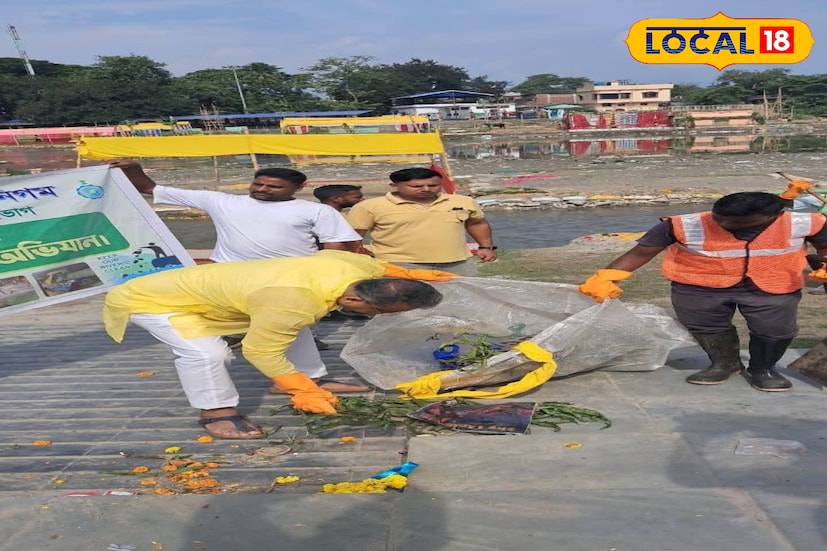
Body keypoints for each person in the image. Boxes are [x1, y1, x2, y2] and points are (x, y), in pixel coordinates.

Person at [103, 250, 445, 439]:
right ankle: (216, 411)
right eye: (381, 313)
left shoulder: (352, 268)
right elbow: (259, 350)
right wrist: (301, 392)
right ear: (355, 300)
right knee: (207, 352)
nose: (382, 318)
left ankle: (312, 378)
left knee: (295, 327)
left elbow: (377, 264)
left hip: (224, 294)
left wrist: (416, 276)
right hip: (157, 300)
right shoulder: (293, 302)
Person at [110, 160, 367, 392]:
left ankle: (307, 381)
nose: (263, 189)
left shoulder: (317, 212)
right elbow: (150, 188)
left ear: (299, 187)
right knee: (209, 347)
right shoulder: (223, 201)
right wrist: (132, 168)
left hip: (288, 284)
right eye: (258, 183)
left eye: (273, 186)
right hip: (229, 284)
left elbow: (337, 249)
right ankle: (219, 392)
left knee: (294, 330)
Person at [578, 192, 827, 392]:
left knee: (774, 331)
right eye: (720, 218)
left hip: (773, 285)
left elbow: (824, 247)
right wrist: (606, 277)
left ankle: (763, 369)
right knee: (707, 328)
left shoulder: (805, 222)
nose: (726, 225)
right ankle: (724, 364)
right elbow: (639, 253)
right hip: (699, 287)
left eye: (739, 222)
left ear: (773, 215)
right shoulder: (681, 224)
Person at [346, 167, 497, 276]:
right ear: (394, 186)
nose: (426, 189)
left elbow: (477, 223)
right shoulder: (369, 207)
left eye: (433, 185)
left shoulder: (463, 201)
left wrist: (485, 247)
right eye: (416, 186)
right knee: (405, 304)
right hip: (398, 264)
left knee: (460, 301)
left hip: (457, 262)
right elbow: (353, 236)